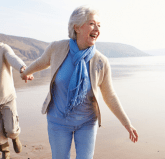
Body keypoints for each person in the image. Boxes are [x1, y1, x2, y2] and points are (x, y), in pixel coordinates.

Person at [21, 5, 138, 159]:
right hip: (58, 120)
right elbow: (40, 62)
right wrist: (25, 73)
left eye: (99, 25)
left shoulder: (101, 61)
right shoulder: (58, 48)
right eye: (92, 23)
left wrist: (127, 123)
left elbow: (110, 95)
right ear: (76, 27)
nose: (97, 28)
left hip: (87, 122)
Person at [0, 17, 33, 159]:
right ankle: (5, 152)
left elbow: (13, 58)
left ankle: (15, 137)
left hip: (7, 97)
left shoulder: (2, 48)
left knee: (11, 130)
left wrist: (23, 69)